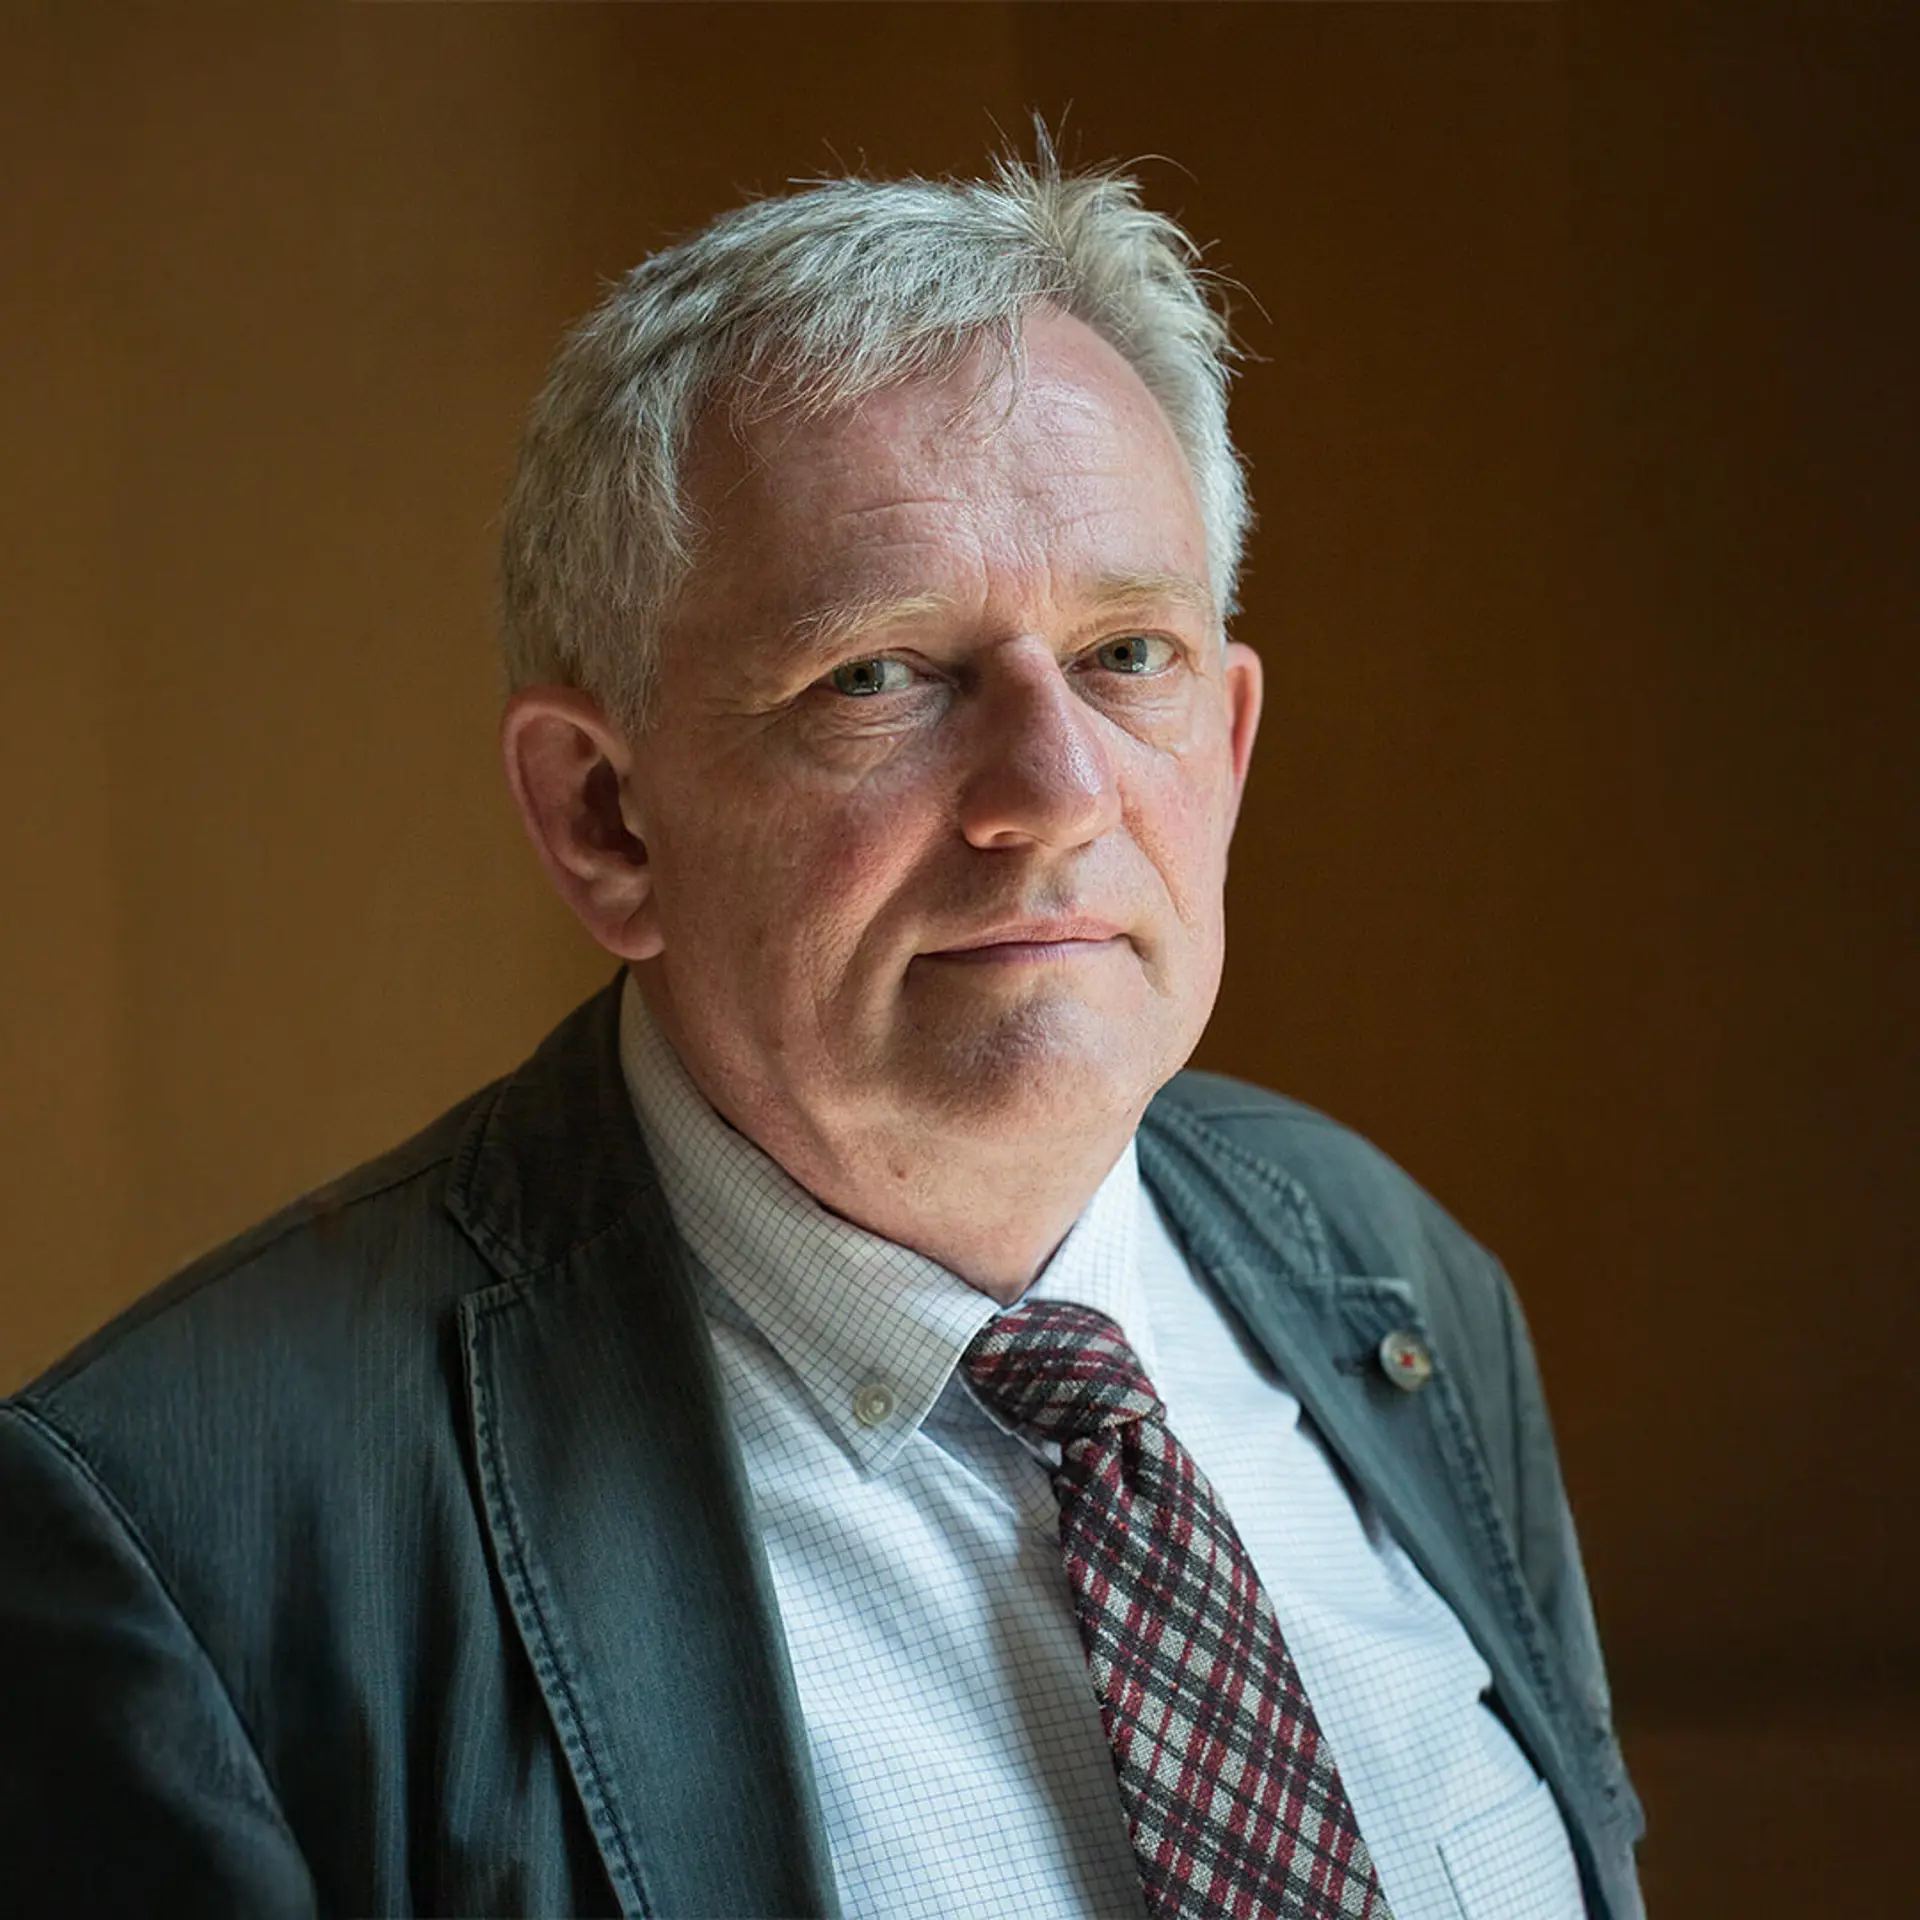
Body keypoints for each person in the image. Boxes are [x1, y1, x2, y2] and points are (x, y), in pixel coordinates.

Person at [0, 154, 1645, 1919]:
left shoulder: (1396, 1277)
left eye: (1127, 656)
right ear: (605, 818)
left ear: (1229, 749)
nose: (1057, 793)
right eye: (879, 674)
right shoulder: (187, 1542)